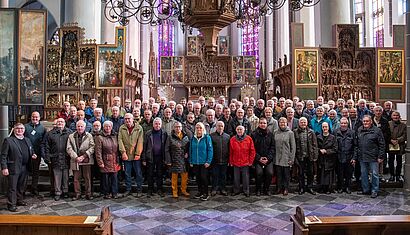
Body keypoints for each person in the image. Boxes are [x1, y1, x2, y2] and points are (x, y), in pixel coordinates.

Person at [1, 123, 36, 212]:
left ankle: (19, 200)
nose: (20, 130)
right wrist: (4, 167)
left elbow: (31, 150)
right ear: (14, 130)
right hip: (13, 167)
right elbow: (3, 155)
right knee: (12, 187)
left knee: (21, 186)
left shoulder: (27, 140)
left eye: (22, 128)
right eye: (18, 128)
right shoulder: (8, 140)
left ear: (24, 130)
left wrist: (33, 154)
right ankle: (11, 204)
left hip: (25, 167)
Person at [353, 115, 385, 198]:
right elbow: (357, 144)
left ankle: (375, 190)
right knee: (363, 174)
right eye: (364, 121)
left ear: (371, 122)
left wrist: (380, 156)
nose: (365, 123)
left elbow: (382, 144)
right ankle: (366, 189)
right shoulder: (360, 129)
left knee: (374, 174)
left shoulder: (377, 131)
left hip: (373, 157)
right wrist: (356, 156)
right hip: (362, 156)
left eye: (367, 121)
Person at [43, 118, 72, 201]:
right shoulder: (50, 134)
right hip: (55, 158)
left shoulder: (69, 132)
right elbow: (47, 146)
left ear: (65, 123)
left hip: (66, 158)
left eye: (62, 122)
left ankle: (65, 191)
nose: (60, 123)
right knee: (57, 176)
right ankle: (58, 192)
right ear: (56, 123)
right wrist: (47, 156)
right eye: (58, 122)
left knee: (66, 176)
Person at [67, 120, 95, 200]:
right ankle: (77, 193)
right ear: (76, 127)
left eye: (81, 126)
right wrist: (76, 157)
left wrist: (84, 156)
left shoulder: (89, 136)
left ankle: (88, 194)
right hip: (76, 160)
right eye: (78, 126)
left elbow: (92, 147)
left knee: (87, 178)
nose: (80, 128)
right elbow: (69, 148)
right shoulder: (71, 136)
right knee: (76, 178)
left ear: (85, 127)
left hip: (86, 159)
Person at [118, 113, 144, 197]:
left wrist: (138, 153)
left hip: (136, 155)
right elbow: (120, 140)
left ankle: (139, 189)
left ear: (133, 119)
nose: (127, 120)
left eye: (129, 118)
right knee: (127, 173)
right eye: (126, 119)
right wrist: (123, 152)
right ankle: (128, 189)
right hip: (126, 155)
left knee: (138, 173)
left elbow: (140, 141)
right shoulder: (122, 128)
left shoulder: (139, 128)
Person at [141, 117, 168, 197]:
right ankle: (150, 189)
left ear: (161, 125)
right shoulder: (148, 133)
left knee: (160, 174)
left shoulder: (164, 133)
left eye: (159, 124)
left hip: (160, 157)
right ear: (153, 124)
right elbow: (144, 146)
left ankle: (159, 189)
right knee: (150, 174)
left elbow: (166, 147)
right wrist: (144, 158)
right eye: (156, 124)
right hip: (150, 156)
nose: (157, 125)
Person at [95, 121, 120, 199]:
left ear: (111, 127)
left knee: (114, 177)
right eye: (106, 126)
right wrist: (100, 162)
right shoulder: (100, 137)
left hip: (114, 159)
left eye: (109, 126)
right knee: (105, 178)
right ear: (103, 127)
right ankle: (106, 193)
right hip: (105, 160)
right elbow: (98, 151)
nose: (107, 128)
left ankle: (114, 193)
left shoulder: (115, 135)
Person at [165, 122, 190, 198]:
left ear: (181, 127)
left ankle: (183, 190)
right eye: (176, 127)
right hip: (174, 159)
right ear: (173, 128)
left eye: (179, 127)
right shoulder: (170, 137)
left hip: (184, 160)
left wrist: (187, 153)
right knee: (174, 177)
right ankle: (174, 191)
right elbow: (167, 149)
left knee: (184, 176)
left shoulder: (186, 137)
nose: (178, 128)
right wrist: (168, 160)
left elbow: (189, 147)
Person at [229, 125, 256, 197]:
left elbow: (252, 151)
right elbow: (231, 151)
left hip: (245, 162)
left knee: (246, 178)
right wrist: (231, 161)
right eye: (238, 129)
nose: (239, 131)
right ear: (236, 130)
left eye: (241, 129)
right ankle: (236, 190)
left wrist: (251, 161)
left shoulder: (249, 139)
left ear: (244, 131)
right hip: (236, 162)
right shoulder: (232, 139)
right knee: (236, 178)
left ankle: (246, 191)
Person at [189, 122, 213, 201]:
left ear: (203, 129)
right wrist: (191, 161)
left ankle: (206, 193)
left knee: (204, 178)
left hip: (204, 162)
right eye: (197, 128)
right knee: (198, 178)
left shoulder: (207, 137)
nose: (199, 129)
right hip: (195, 162)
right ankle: (200, 191)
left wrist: (208, 161)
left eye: (200, 128)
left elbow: (210, 150)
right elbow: (190, 150)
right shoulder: (193, 138)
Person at [251, 118, 275, 196]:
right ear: (258, 124)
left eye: (264, 123)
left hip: (268, 159)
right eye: (261, 123)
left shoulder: (270, 134)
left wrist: (268, 158)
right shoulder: (254, 134)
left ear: (266, 124)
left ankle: (266, 189)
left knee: (270, 173)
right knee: (259, 173)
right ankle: (258, 189)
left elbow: (272, 147)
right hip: (258, 159)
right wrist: (259, 158)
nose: (262, 124)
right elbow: (252, 148)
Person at [24, 111, 46, 196]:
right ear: (31, 117)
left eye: (36, 117)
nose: (35, 118)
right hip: (26, 153)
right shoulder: (25, 127)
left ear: (39, 118)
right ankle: (23, 188)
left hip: (37, 154)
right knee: (25, 171)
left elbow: (43, 142)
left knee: (35, 172)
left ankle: (34, 188)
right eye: (33, 116)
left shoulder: (43, 128)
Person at [294, 117, 318, 195]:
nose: (303, 124)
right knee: (301, 173)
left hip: (309, 156)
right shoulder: (295, 132)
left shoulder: (311, 132)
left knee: (310, 172)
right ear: (299, 123)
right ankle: (301, 187)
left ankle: (310, 187)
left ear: (307, 123)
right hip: (300, 156)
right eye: (301, 122)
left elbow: (315, 145)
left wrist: (315, 156)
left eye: (304, 122)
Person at [274, 117, 296, 196]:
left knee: (286, 175)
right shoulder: (275, 132)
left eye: (284, 122)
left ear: (286, 123)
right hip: (277, 157)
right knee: (278, 174)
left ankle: (286, 188)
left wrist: (291, 158)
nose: (282, 124)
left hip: (286, 157)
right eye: (280, 122)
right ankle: (279, 188)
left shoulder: (290, 133)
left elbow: (293, 147)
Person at [334, 117, 355, 194]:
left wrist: (354, 157)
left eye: (345, 123)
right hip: (339, 156)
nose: (343, 125)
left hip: (349, 156)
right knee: (340, 174)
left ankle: (347, 187)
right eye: (342, 123)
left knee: (348, 174)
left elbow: (355, 145)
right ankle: (340, 187)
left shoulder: (352, 132)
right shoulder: (335, 132)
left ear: (347, 124)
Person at [210, 121, 230, 196]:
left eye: (221, 126)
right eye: (218, 126)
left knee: (223, 175)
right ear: (216, 127)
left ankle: (223, 189)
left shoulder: (227, 136)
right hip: (215, 160)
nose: (220, 127)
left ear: (224, 127)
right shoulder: (211, 136)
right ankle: (214, 189)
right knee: (215, 175)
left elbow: (229, 149)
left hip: (224, 160)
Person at [316, 122, 338, 194]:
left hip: (329, 158)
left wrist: (326, 151)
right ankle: (321, 187)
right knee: (321, 173)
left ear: (328, 127)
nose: (325, 128)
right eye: (323, 127)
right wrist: (319, 150)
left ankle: (328, 188)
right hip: (321, 158)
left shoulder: (333, 137)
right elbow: (315, 147)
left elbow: (335, 148)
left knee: (328, 174)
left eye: (326, 127)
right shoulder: (318, 137)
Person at [388, 111, 406, 182]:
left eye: (397, 115)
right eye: (394, 115)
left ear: (399, 116)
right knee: (391, 160)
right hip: (391, 144)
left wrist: (398, 140)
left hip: (400, 144)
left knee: (399, 160)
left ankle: (398, 175)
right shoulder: (388, 124)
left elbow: (405, 135)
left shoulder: (403, 125)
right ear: (392, 116)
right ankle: (392, 174)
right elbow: (386, 133)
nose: (395, 117)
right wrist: (391, 140)